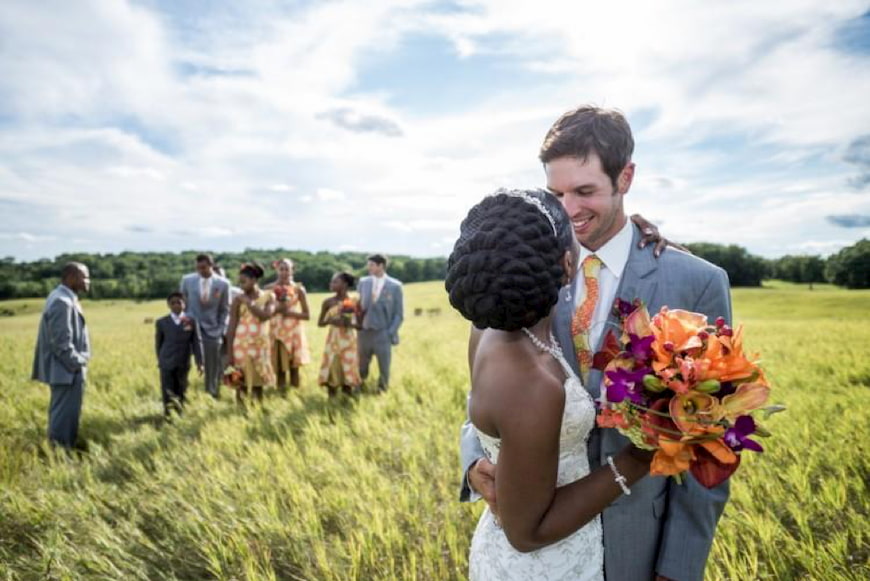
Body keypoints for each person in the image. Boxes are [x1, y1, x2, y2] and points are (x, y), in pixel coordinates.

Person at [460, 106, 733, 581]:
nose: (568, 209)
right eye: (556, 193)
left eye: (585, 191)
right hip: (533, 543)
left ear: (625, 177)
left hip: (640, 541)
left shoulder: (696, 283)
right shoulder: (520, 268)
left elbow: (710, 440)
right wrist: (473, 464)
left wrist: (678, 567)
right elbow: (484, 391)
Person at [447, 189, 654, 580]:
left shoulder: (486, 328)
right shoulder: (534, 382)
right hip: (543, 564)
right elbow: (527, 532)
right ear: (565, 264)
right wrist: (635, 460)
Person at [31, 262, 91, 449]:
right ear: (72, 277)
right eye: (85, 276)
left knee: (65, 416)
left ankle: (62, 452)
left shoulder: (64, 297)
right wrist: (77, 363)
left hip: (66, 371)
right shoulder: (61, 302)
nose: (88, 281)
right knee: (64, 418)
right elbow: (61, 344)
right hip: (66, 372)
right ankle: (60, 456)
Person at [180, 254, 230, 399]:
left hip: (212, 330)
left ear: (211, 266)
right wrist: (183, 322)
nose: (200, 270)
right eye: (197, 268)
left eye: (203, 267)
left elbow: (225, 309)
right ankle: (181, 395)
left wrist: (221, 329)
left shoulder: (223, 284)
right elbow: (181, 303)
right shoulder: (187, 280)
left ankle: (212, 394)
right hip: (189, 328)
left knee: (213, 366)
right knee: (182, 363)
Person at [226, 263, 276, 403]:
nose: (241, 286)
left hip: (260, 345)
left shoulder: (269, 296)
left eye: (244, 282)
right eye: (240, 282)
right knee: (239, 381)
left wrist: (249, 302)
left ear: (254, 280)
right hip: (240, 346)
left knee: (257, 382)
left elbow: (265, 316)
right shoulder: (237, 300)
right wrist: (230, 353)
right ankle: (241, 412)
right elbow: (231, 326)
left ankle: (257, 409)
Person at [357, 254, 403, 392]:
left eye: (371, 265)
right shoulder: (363, 282)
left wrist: (389, 333)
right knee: (361, 365)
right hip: (364, 333)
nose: (368, 267)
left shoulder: (395, 286)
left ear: (381, 266)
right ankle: (359, 388)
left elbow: (399, 314)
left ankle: (382, 391)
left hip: (383, 333)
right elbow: (357, 306)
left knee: (384, 366)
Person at [154, 292, 204, 418]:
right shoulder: (162, 322)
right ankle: (168, 415)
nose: (176, 305)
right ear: (168, 305)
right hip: (166, 361)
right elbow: (158, 343)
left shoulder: (191, 321)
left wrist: (200, 362)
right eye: (173, 303)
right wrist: (160, 360)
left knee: (182, 387)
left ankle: (180, 412)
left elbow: (197, 342)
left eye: (179, 302)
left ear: (184, 304)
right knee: (167, 388)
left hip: (183, 361)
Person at [265, 258, 311, 390]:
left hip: (293, 331)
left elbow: (307, 315)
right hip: (276, 331)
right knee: (279, 366)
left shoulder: (299, 289)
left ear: (292, 270)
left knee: (294, 367)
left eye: (287, 269)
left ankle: (294, 392)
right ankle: (281, 393)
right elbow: (263, 313)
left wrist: (289, 313)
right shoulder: (269, 289)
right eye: (281, 269)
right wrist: (277, 309)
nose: (284, 272)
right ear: (276, 270)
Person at [317, 272, 362, 397]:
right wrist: (331, 321)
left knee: (347, 371)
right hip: (333, 341)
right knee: (332, 370)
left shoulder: (354, 301)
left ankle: (346, 402)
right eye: (332, 281)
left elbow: (360, 326)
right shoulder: (328, 302)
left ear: (345, 284)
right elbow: (320, 323)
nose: (331, 284)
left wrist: (348, 323)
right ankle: (331, 401)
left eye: (335, 282)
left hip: (349, 341)